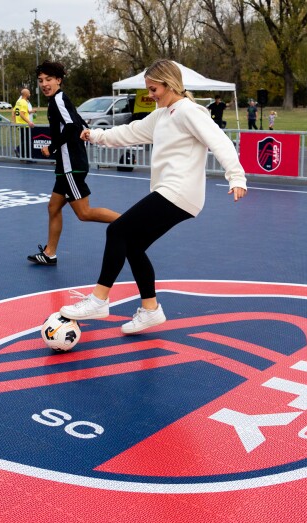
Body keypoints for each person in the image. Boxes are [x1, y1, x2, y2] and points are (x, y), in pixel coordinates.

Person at [59, 59, 247, 334]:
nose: (149, 94)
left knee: (117, 231)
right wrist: (94, 135)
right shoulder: (162, 115)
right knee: (133, 246)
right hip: (172, 193)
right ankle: (150, 310)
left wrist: (236, 176)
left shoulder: (188, 112)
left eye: (153, 88)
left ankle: (99, 299)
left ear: (169, 85)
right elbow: (128, 133)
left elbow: (218, 140)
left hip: (179, 191)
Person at [27, 61, 120, 266]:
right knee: (53, 208)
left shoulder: (58, 99)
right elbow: (77, 121)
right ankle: (50, 253)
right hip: (65, 166)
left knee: (84, 213)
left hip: (70, 166)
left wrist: (51, 148)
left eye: (49, 79)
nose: (44, 84)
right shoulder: (58, 100)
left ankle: (130, 223)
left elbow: (70, 127)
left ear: (58, 80)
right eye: (41, 80)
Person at [13, 87, 35, 158]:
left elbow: (14, 112)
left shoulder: (18, 102)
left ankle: (22, 155)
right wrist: (29, 122)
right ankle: (25, 155)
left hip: (20, 124)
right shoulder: (24, 102)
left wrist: (15, 122)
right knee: (27, 141)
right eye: (29, 93)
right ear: (26, 94)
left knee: (24, 140)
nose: (30, 94)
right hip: (24, 125)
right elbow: (21, 114)